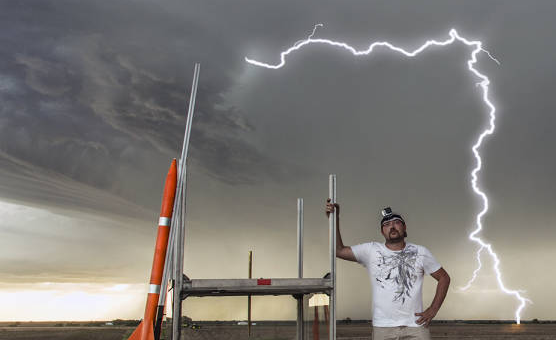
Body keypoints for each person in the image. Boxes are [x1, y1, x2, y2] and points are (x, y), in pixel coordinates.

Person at [326, 200, 450, 340]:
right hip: (383, 327)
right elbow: (338, 250)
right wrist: (334, 218)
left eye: (396, 222)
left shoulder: (420, 252)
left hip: (416, 327)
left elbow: (444, 278)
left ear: (404, 227)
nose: (391, 226)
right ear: (382, 231)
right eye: (386, 224)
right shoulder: (371, 250)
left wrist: (433, 310)